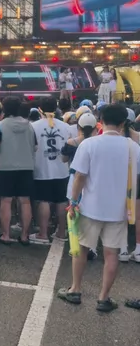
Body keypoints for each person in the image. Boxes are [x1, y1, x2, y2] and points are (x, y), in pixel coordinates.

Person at [59, 103, 140, 312]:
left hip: (89, 207)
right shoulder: (133, 147)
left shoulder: (90, 144)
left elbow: (79, 176)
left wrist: (74, 201)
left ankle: (75, 290)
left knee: (81, 250)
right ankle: (104, 298)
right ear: (123, 123)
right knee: (111, 254)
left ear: (100, 120)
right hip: (120, 210)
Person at [0, 97, 36, 245]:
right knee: (25, 201)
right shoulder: (29, 126)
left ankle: (6, 235)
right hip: (26, 166)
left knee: (6, 200)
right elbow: (35, 147)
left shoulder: (0, 125)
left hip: (5, 167)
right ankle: (24, 235)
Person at [30, 97, 71, 244]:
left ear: (39, 108)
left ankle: (43, 233)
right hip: (62, 169)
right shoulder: (65, 126)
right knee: (61, 200)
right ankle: (61, 232)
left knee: (44, 200)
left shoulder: (34, 126)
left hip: (42, 168)